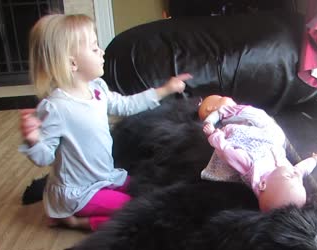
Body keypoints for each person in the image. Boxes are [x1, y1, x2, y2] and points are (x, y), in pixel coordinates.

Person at [19, 14, 192, 231]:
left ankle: (87, 208)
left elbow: (126, 105)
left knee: (148, 189)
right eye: (93, 49)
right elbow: (45, 157)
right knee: (138, 210)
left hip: (106, 177)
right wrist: (33, 139)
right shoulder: (56, 107)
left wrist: (165, 90)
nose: (102, 53)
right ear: (72, 62)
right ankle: (75, 221)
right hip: (80, 192)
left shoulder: (97, 88)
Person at [198, 95, 317, 212]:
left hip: (246, 140)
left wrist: (214, 135)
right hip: (269, 140)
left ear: (263, 184)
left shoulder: (251, 167)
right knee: (275, 133)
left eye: (290, 177)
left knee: (239, 127)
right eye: (299, 182)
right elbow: (302, 170)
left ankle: (229, 115)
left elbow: (227, 152)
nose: (295, 174)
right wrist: (313, 161)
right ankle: (235, 113)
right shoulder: (291, 176)